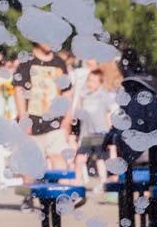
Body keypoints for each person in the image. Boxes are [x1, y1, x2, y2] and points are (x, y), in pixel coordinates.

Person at [14, 42, 73, 174]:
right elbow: (19, 89)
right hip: (32, 122)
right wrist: (23, 117)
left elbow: (67, 93)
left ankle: (60, 191)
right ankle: (31, 192)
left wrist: (68, 118)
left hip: (55, 123)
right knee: (31, 164)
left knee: (58, 156)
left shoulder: (59, 63)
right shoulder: (27, 62)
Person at [69, 68, 117, 188]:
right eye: (89, 81)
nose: (90, 84)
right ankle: (77, 181)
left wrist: (111, 128)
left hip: (101, 133)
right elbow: (79, 114)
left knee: (101, 159)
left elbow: (108, 113)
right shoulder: (85, 96)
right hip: (88, 134)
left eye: (94, 81)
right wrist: (79, 101)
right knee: (80, 158)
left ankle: (103, 181)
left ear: (100, 84)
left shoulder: (103, 96)